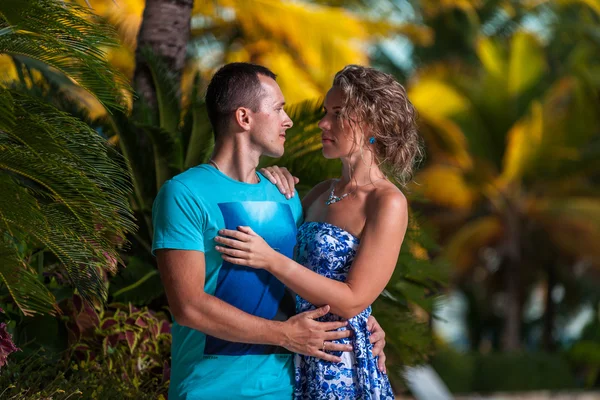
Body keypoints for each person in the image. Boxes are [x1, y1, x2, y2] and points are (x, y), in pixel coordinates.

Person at [152, 62, 386, 400]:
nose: (288, 120)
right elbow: (188, 306)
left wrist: (364, 324)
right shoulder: (184, 194)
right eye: (278, 109)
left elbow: (319, 272)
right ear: (244, 118)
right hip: (210, 389)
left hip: (292, 388)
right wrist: (284, 335)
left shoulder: (288, 196)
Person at [215, 65, 422, 399]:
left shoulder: (388, 202)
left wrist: (269, 261)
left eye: (337, 114)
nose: (323, 124)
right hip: (296, 353)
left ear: (373, 123)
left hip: (340, 365)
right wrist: (271, 178)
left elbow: (354, 299)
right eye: (325, 113)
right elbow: (290, 252)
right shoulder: (319, 192)